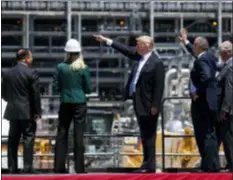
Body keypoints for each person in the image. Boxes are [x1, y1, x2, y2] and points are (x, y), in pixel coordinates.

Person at [94, 34, 165, 173]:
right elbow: (126, 50)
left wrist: (155, 105)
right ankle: (147, 164)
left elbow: (159, 86)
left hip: (149, 104)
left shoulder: (156, 62)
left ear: (147, 46)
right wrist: (108, 41)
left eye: (139, 44)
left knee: (149, 135)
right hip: (138, 102)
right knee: (144, 134)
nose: (136, 46)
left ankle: (149, 165)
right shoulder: (140, 57)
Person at [179, 29, 220, 172]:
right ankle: (211, 164)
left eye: (194, 46)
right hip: (211, 102)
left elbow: (207, 78)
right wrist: (186, 42)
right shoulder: (210, 57)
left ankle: (209, 166)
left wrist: (197, 92)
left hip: (202, 103)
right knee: (210, 132)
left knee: (204, 134)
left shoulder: (202, 60)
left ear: (198, 47)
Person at [53, 39, 91, 173]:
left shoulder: (60, 67)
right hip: (80, 103)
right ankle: (79, 168)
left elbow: (55, 87)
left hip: (65, 102)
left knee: (62, 133)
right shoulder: (83, 67)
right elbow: (88, 88)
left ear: (67, 53)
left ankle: (59, 167)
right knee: (78, 135)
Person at [2, 49, 41, 174]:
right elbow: (35, 95)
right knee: (28, 137)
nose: (32, 59)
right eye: (31, 56)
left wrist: (13, 101)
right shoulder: (32, 73)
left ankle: (12, 167)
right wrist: (37, 111)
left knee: (13, 138)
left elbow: (4, 94)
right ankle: (27, 167)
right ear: (25, 58)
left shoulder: (7, 73)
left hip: (12, 110)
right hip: (27, 110)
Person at [216, 41, 233, 172]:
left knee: (228, 138)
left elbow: (229, 89)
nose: (220, 55)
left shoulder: (230, 66)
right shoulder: (226, 65)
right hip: (228, 109)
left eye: (221, 52)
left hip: (229, 111)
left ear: (227, 52)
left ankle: (232, 164)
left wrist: (224, 110)